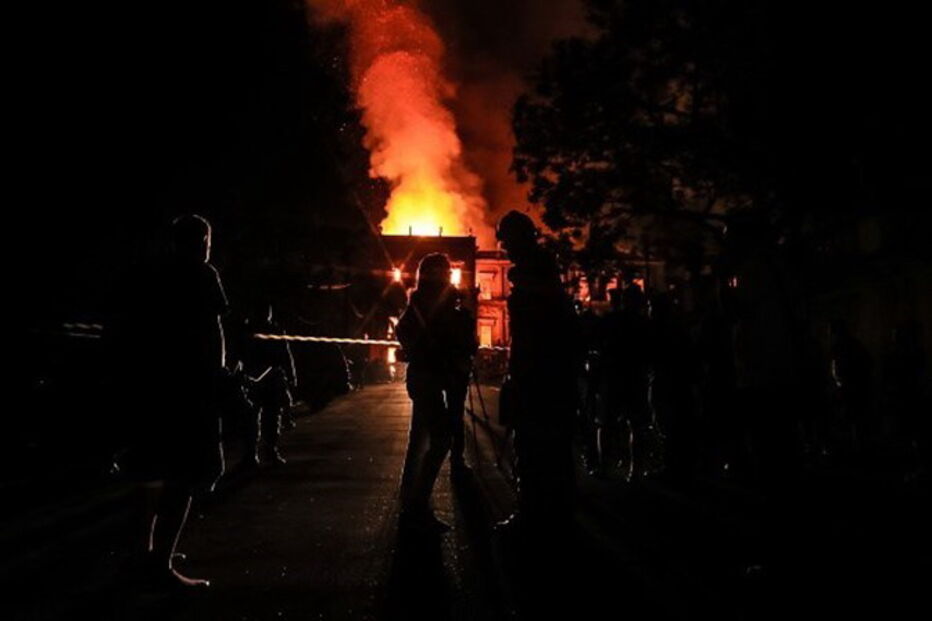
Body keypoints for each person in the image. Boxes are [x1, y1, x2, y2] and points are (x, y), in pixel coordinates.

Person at [120, 214, 228, 588]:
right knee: (184, 475)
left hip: (149, 388)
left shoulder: (149, 274)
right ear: (202, 242)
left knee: (149, 474)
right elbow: (214, 333)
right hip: (189, 390)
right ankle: (161, 564)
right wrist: (218, 378)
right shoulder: (203, 275)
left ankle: (144, 553)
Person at [495, 211, 581, 535]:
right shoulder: (545, 276)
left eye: (507, 239)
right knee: (553, 451)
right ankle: (557, 515)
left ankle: (534, 515)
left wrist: (518, 378)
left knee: (533, 451)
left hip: (538, 381)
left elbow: (531, 338)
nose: (505, 247)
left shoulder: (533, 282)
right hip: (552, 379)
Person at [396, 253, 477, 532]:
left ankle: (412, 501)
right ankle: (417, 503)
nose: (444, 277)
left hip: (430, 376)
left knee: (421, 438)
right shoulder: (432, 306)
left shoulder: (429, 305)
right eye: (440, 272)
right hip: (429, 377)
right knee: (437, 438)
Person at [242, 304, 296, 465]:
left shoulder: (253, 329)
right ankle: (257, 454)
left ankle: (258, 453)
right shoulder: (255, 330)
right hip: (259, 379)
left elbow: (286, 355)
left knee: (263, 417)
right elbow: (286, 355)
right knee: (261, 417)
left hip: (265, 379)